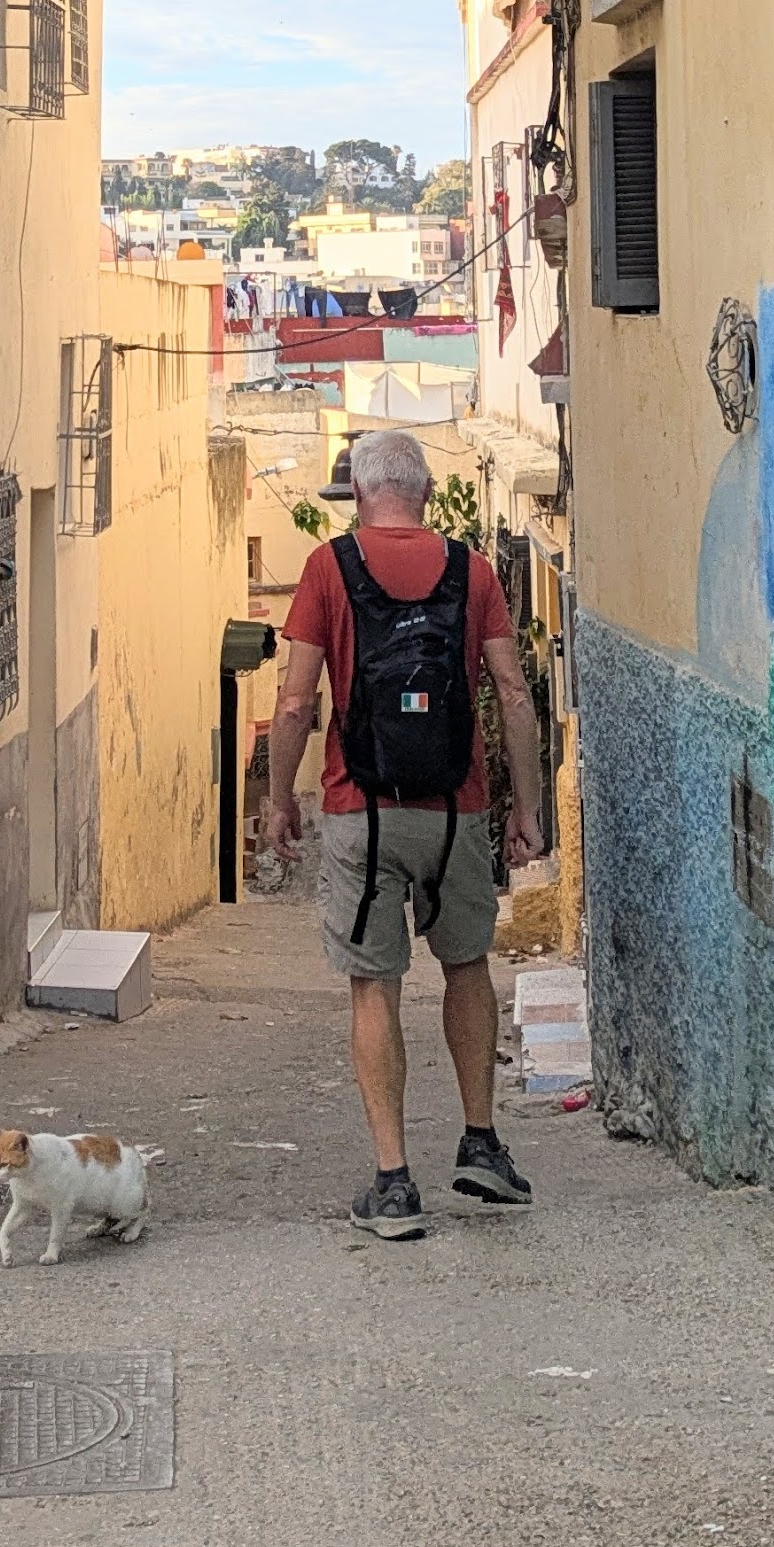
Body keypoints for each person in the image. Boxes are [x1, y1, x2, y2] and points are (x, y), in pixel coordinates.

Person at [262, 426, 545, 1234]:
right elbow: (513, 693)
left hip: (363, 813)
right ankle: (481, 1142)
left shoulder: (328, 567)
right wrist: (525, 808)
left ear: (359, 493)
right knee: (466, 965)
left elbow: (295, 702)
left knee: (374, 984)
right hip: (456, 810)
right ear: (424, 494)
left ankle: (393, 1183)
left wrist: (279, 799)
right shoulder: (472, 569)